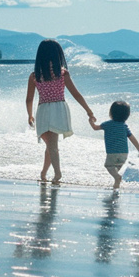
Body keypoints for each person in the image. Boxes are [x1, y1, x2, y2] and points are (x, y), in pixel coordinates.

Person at [25, 39, 95, 184]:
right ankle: (44, 173)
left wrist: (30, 115)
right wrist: (88, 111)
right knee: (51, 145)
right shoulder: (62, 73)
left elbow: (29, 99)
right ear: (58, 55)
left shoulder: (35, 76)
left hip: (43, 110)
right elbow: (76, 94)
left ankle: (57, 174)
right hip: (58, 109)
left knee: (52, 145)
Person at [90, 100, 139, 189]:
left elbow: (95, 127)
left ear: (111, 113)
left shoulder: (107, 124)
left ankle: (117, 178)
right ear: (127, 115)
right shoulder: (124, 126)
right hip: (124, 153)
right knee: (117, 168)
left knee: (108, 166)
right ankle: (116, 185)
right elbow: (132, 138)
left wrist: (91, 120)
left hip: (112, 152)